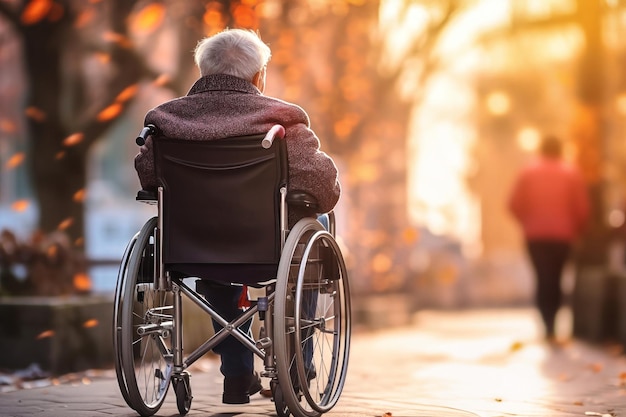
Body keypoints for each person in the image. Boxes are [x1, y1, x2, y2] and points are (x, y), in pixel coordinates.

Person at [134, 29, 341, 404]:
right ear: (259, 76)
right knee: (316, 229)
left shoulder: (163, 121)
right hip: (267, 245)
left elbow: (149, 177)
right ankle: (297, 365)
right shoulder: (282, 118)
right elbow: (323, 189)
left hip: (191, 246)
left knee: (215, 255)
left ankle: (237, 372)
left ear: (203, 71)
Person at [508, 135, 589, 341]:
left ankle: (547, 322)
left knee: (542, 277)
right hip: (563, 236)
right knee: (557, 278)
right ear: (560, 150)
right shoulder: (571, 173)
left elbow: (513, 204)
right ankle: (553, 322)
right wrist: (576, 228)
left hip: (535, 236)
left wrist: (527, 221)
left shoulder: (528, 172)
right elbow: (582, 208)